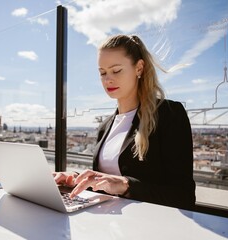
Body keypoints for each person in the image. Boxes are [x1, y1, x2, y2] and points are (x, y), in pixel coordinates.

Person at [54, 34, 196, 210]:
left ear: (139, 68)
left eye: (116, 70)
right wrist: (76, 179)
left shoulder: (169, 114)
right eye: (102, 73)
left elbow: (183, 196)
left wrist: (127, 185)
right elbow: (107, 185)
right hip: (110, 224)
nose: (108, 80)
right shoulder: (106, 126)